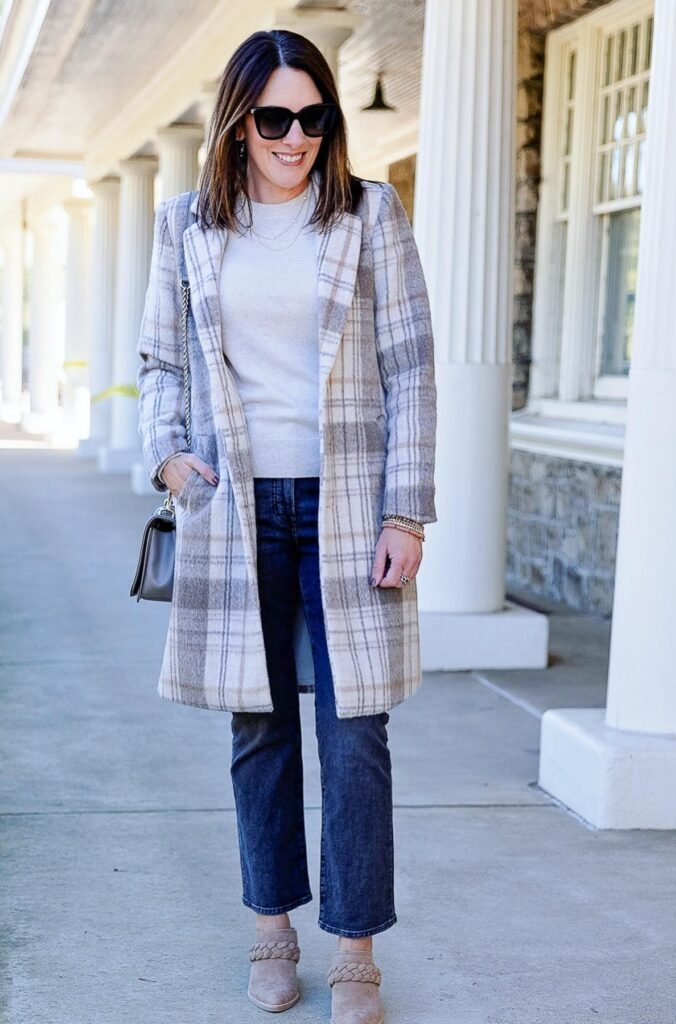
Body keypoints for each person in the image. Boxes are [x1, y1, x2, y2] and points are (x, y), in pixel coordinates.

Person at [136, 28, 437, 1024]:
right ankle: (271, 932)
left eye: (313, 117)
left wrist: (405, 510)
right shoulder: (186, 224)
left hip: (347, 505)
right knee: (257, 725)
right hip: (237, 506)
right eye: (274, 118)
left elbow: (410, 368)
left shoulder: (368, 213)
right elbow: (161, 361)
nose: (295, 137)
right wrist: (168, 455)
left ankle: (354, 950)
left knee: (356, 733)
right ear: (237, 122)